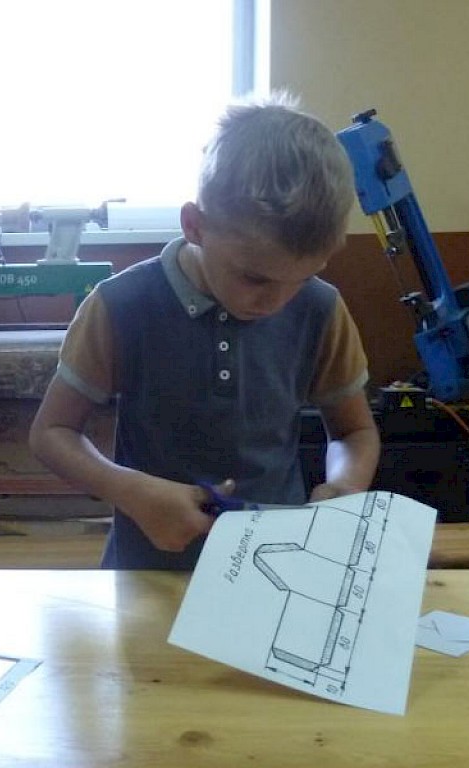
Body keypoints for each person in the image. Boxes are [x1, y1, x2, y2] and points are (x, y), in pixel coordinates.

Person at [28, 93, 381, 569]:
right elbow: (52, 432)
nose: (276, 301)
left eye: (301, 278)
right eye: (254, 278)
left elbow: (354, 431)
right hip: (145, 571)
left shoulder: (321, 308)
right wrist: (131, 491)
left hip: (275, 568)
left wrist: (343, 487)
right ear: (194, 225)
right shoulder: (121, 305)